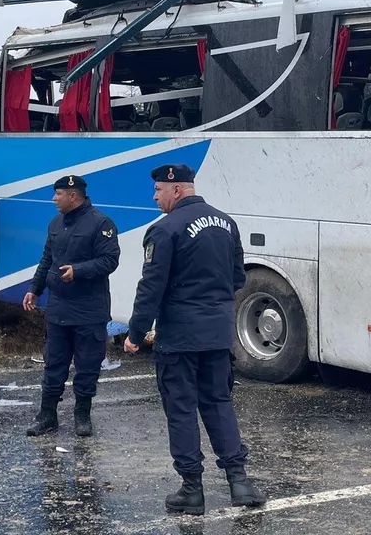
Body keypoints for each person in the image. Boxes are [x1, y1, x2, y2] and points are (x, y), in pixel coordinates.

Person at [124, 164, 265, 515]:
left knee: (181, 409)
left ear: (177, 189)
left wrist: (136, 333)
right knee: (218, 403)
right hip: (217, 335)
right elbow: (237, 278)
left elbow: (151, 287)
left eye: (158, 190)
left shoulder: (165, 229)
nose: (154, 197)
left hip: (180, 338)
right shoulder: (226, 223)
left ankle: (191, 490)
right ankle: (240, 482)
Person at [23, 175, 121, 438]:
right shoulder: (55, 223)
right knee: (54, 363)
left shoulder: (101, 224)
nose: (54, 199)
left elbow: (110, 261)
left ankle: (82, 414)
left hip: (89, 309)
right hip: (59, 309)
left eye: (58, 194)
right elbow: (47, 260)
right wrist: (34, 289)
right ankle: (47, 416)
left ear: (73, 196)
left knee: (88, 366)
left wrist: (79, 270)